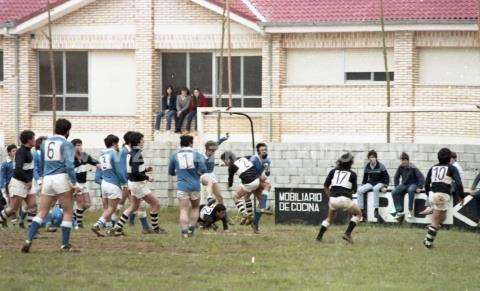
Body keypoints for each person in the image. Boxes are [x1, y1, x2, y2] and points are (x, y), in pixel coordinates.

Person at [22, 119, 80, 253]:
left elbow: (42, 162)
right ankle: (64, 245)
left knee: (42, 211)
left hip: (47, 178)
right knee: (67, 211)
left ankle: (28, 240)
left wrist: (42, 177)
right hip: (61, 178)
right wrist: (74, 183)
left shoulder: (44, 142)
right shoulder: (66, 144)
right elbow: (69, 166)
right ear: (67, 131)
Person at [113, 132, 167, 235]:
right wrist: (147, 177)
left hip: (132, 183)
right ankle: (156, 228)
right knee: (155, 203)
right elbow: (135, 172)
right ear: (138, 141)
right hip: (138, 184)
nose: (144, 141)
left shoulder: (132, 152)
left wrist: (145, 170)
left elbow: (134, 170)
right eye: (142, 139)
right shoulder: (137, 153)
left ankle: (117, 227)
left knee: (133, 206)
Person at [423, 148, 464, 249]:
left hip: (433, 194)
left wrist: (429, 195)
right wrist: (461, 196)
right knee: (437, 221)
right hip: (442, 195)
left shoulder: (433, 168)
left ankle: (430, 232)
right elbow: (458, 183)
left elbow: (426, 183)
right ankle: (428, 243)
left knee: (442, 217)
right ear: (450, 158)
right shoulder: (452, 168)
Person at [316, 153, 361, 243]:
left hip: (333, 199)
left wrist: (330, 197)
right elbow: (354, 191)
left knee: (329, 218)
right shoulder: (352, 174)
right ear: (351, 163)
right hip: (345, 199)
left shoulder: (333, 171)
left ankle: (318, 238)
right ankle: (347, 234)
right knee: (358, 214)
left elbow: (325, 186)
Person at [168, 135, 207, 237]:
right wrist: (197, 174)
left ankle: (184, 232)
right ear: (191, 143)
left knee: (183, 209)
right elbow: (203, 169)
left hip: (182, 186)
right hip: (195, 185)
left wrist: (179, 173)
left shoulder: (174, 155)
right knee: (195, 208)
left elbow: (171, 172)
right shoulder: (197, 154)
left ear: (181, 143)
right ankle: (191, 230)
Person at [91, 134, 127, 237]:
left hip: (104, 183)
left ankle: (109, 228)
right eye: (117, 143)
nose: (118, 146)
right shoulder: (114, 154)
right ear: (114, 143)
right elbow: (119, 171)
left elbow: (100, 169)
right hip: (113, 184)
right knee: (112, 208)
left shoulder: (102, 155)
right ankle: (98, 224)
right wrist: (124, 182)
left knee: (107, 208)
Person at [221, 151, 264, 234]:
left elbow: (230, 180)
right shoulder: (243, 158)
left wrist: (228, 185)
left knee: (235, 196)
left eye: (224, 161)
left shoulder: (231, 167)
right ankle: (250, 216)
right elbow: (253, 157)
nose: (224, 163)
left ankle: (244, 214)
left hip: (249, 183)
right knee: (247, 197)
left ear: (227, 160)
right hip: (257, 181)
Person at [0, 131, 36, 229]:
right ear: (29, 140)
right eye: (33, 138)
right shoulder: (21, 152)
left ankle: (32, 231)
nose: (35, 140)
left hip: (28, 182)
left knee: (32, 205)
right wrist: (27, 180)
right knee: (12, 209)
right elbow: (18, 170)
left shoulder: (28, 151)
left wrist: (30, 181)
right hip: (19, 183)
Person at [71, 138, 100, 229]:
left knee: (87, 204)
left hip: (84, 183)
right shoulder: (71, 157)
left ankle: (74, 216)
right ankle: (79, 224)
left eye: (80, 145)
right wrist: (73, 185)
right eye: (77, 145)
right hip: (76, 183)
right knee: (80, 203)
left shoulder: (84, 156)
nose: (79, 147)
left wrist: (99, 164)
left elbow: (94, 161)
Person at [356, 150, 389, 221]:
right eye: (370, 157)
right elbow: (365, 178)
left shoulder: (381, 166)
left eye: (373, 157)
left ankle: (376, 210)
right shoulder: (367, 166)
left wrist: (385, 186)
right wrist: (363, 186)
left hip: (380, 182)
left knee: (375, 188)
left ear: (376, 158)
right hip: (371, 183)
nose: (372, 159)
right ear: (368, 158)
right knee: (360, 190)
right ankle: (361, 210)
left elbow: (386, 177)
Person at [391, 152, 425, 220]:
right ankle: (399, 210)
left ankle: (410, 210)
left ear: (407, 160)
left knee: (410, 190)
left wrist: (419, 187)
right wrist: (396, 186)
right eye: (401, 160)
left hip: (413, 184)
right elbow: (396, 177)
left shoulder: (413, 167)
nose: (402, 162)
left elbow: (421, 177)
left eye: (404, 160)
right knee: (394, 192)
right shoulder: (400, 167)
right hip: (404, 184)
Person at [0, 144, 17, 212]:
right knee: (11, 201)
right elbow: (2, 176)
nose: (15, 152)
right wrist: (3, 187)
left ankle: (20, 215)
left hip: (19, 184)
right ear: (9, 153)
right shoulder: (5, 164)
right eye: (13, 151)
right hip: (9, 185)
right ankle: (12, 216)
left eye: (16, 150)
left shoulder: (19, 162)